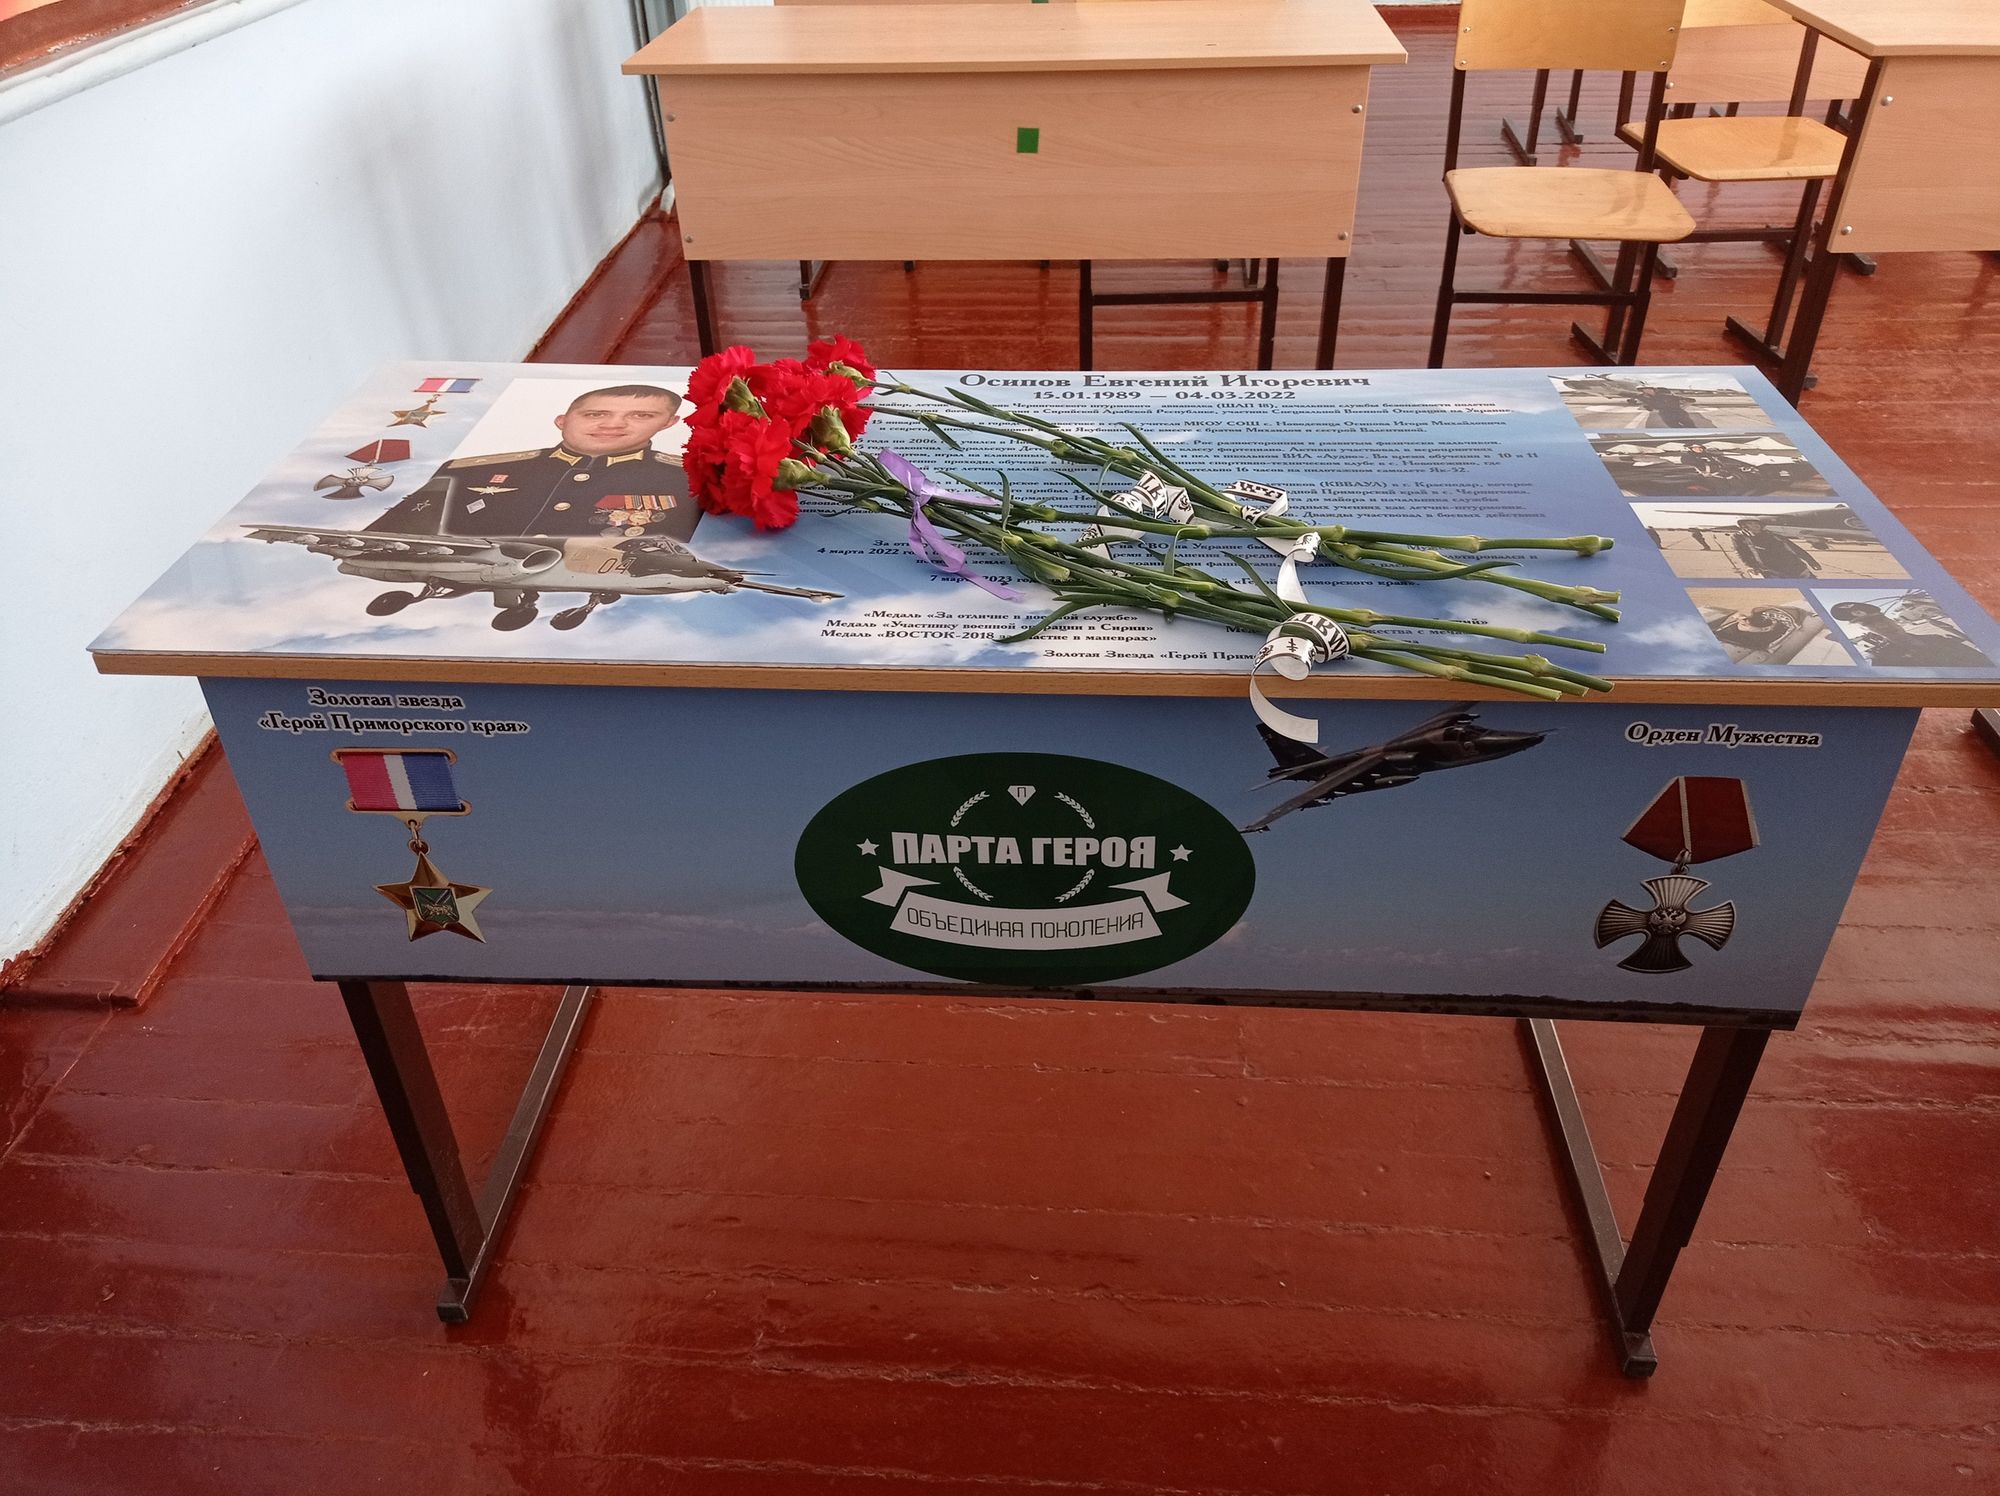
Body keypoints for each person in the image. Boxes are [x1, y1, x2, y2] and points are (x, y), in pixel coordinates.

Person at [367, 385, 697, 541]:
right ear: (561, 420)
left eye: (641, 416)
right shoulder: (467, 471)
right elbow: (388, 537)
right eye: (595, 414)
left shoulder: (689, 477)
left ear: (669, 423)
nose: (612, 425)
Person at [1829, 601, 1993, 668]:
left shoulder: (1937, 639)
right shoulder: (1889, 659)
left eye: (1858, 609)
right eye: (1856, 612)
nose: (1885, 626)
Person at [1728, 516, 1820, 579]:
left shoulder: (1773, 535)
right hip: (1772, 571)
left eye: (1757, 523)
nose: (1755, 525)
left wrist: (1811, 561)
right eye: (1750, 523)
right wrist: (1751, 566)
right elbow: (1741, 553)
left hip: (1796, 567)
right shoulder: (1739, 537)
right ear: (1744, 526)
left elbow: (1794, 548)